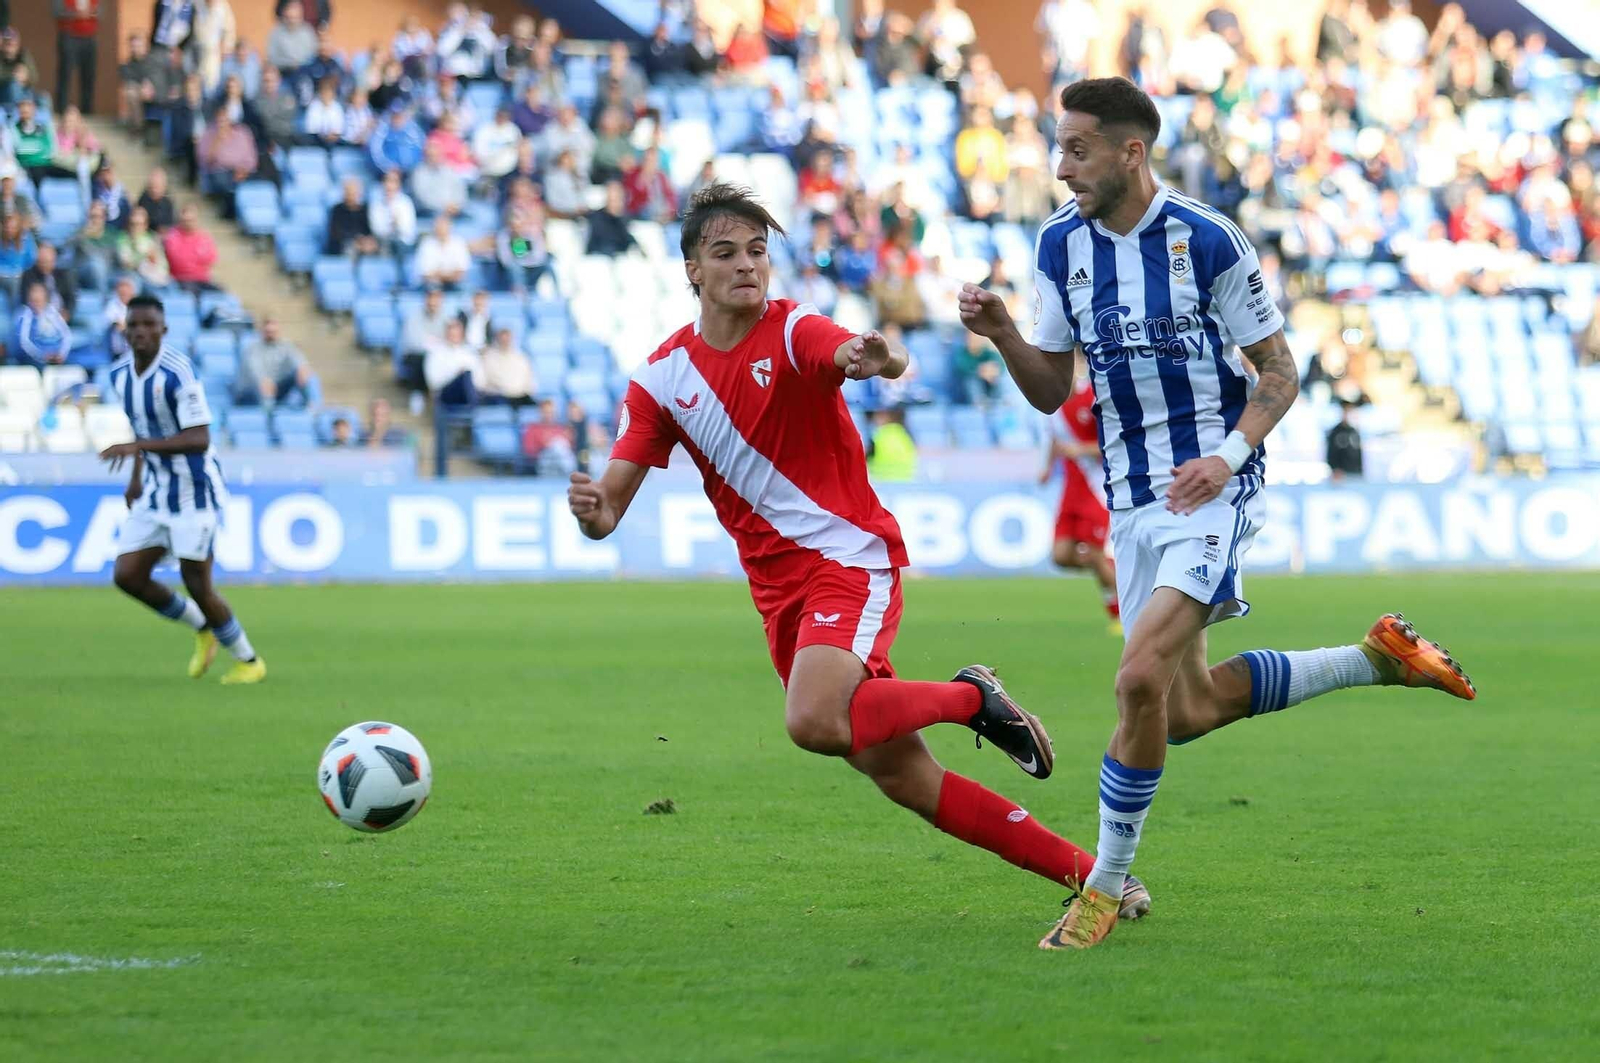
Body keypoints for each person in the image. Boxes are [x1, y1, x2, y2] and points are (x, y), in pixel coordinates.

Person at [959, 77, 1476, 951]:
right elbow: (1051, 390)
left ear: (1133, 151)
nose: (1060, 166)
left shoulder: (1207, 240)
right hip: (1131, 499)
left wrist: (1227, 457)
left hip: (1215, 487)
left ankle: (1103, 889)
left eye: (1078, 148)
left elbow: (1279, 370)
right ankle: (1375, 658)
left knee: (1134, 682)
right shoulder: (1058, 247)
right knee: (1184, 706)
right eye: (1059, 145)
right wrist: (1006, 331)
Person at [568, 182, 1150, 934]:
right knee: (906, 778)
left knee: (813, 719)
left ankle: (973, 698)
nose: (747, 265)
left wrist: (873, 356)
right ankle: (1097, 877)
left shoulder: (793, 330)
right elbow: (609, 510)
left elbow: (858, 350)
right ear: (691, 270)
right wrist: (591, 511)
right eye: (725, 253)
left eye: (757, 251)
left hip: (848, 557)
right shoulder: (661, 379)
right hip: (780, 596)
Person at [100, 293, 266, 684]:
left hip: (195, 492)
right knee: (128, 576)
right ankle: (201, 627)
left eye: (148, 326)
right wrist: (136, 476)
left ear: (163, 330)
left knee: (197, 583)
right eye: (134, 325)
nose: (140, 332)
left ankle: (249, 660)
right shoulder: (120, 375)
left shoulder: (178, 372)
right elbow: (143, 427)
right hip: (157, 489)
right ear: (124, 330)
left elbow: (199, 438)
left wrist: (137, 448)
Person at [1042, 354, 1120, 633]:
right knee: (1060, 556)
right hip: (1070, 490)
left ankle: (1119, 616)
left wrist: (1082, 450)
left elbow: (1114, 445)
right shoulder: (1053, 402)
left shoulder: (1094, 397)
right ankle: (1113, 567)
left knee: (1096, 555)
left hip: (1095, 489)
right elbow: (1055, 439)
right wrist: (1047, 467)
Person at [235, 316, 314, 406]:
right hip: (252, 390)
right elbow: (254, 371)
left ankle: (309, 408)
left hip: (275, 388)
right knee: (265, 385)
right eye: (268, 332)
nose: (271, 334)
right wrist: (264, 381)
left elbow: (298, 360)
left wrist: (302, 368)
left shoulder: (286, 346)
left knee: (301, 372)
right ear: (262, 331)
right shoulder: (253, 349)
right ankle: (268, 416)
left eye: (273, 332)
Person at [9, 281, 71, 367]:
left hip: (55, 357)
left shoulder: (52, 313)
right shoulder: (24, 315)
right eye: (34, 292)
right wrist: (43, 356)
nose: (37, 295)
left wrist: (61, 354)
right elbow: (24, 342)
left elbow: (66, 335)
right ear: (29, 298)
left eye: (40, 292)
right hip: (33, 360)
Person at [55, 0, 101, 113]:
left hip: (89, 37)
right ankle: (62, 109)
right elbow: (57, 11)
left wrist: (89, 12)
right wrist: (77, 14)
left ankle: (87, 110)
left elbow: (101, 12)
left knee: (88, 75)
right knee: (65, 73)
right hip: (69, 36)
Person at [424, 316, 480, 407]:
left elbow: (479, 379)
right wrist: (456, 375)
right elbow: (433, 382)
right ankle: (474, 409)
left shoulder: (470, 353)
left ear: (462, 334)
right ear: (446, 334)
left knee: (467, 377)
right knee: (465, 376)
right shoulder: (436, 353)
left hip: (469, 392)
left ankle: (473, 407)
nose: (454, 337)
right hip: (445, 394)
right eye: (451, 334)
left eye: (457, 334)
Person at [162, 204, 219, 291]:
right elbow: (179, 261)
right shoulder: (172, 236)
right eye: (185, 220)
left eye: (191, 220)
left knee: (223, 296)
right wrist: (197, 258)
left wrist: (192, 259)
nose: (188, 223)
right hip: (180, 279)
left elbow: (211, 259)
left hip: (203, 279)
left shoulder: (204, 237)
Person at [479, 324, 534, 406]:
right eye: (502, 339)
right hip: (497, 397)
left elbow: (529, 382)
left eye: (507, 339)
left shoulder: (521, 358)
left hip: (520, 396)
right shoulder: (488, 358)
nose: (505, 342)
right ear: (497, 339)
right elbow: (483, 383)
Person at [20, 241, 76, 319]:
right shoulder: (28, 275)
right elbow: (25, 299)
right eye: (41, 262)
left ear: (54, 260)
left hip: (60, 316)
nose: (44, 265)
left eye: (47, 262)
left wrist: (67, 313)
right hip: (38, 316)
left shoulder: (64, 274)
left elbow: (71, 297)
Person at [326, 175, 377, 257]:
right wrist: (355, 240)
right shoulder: (337, 209)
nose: (352, 194)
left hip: (363, 243)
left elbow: (368, 230)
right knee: (351, 249)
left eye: (355, 191)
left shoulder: (365, 209)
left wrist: (365, 240)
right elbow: (335, 233)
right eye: (349, 191)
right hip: (343, 244)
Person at [1326, 400, 1364, 479]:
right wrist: (1335, 468)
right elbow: (1331, 452)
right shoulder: (1335, 431)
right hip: (1341, 475)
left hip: (1355, 473)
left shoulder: (1354, 431)